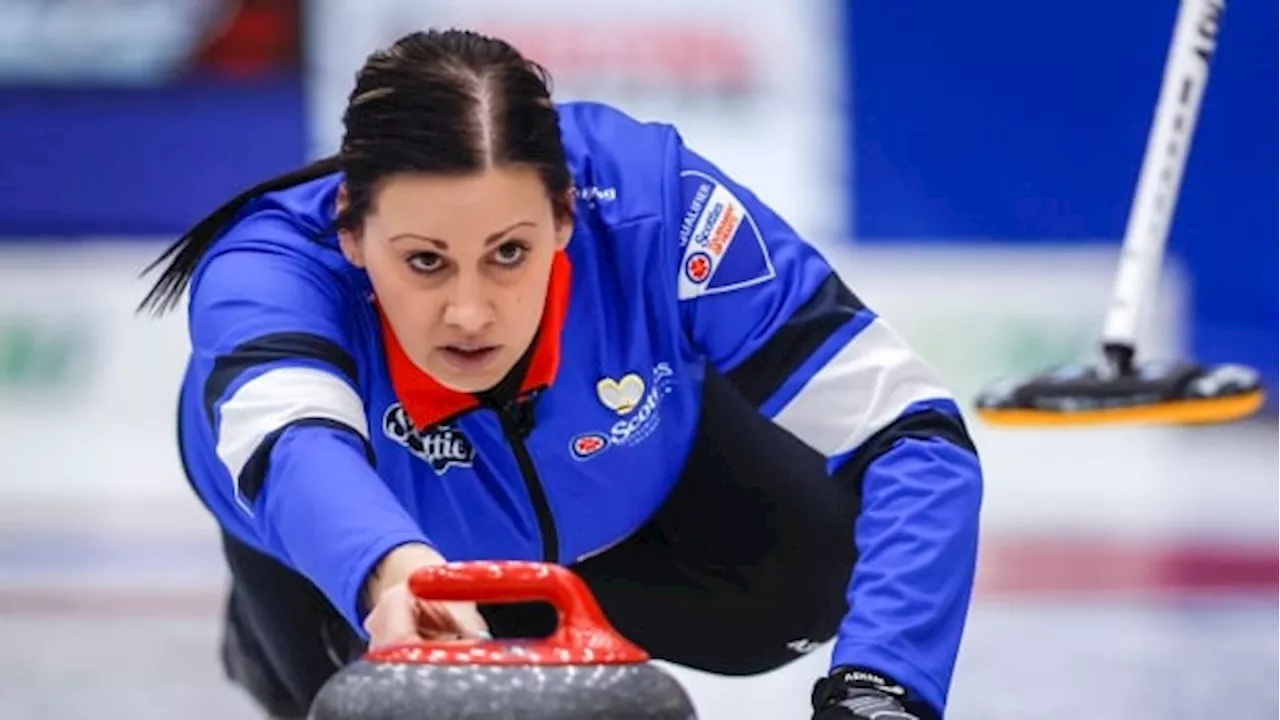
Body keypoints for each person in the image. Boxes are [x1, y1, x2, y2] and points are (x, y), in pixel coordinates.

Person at [140, 29, 984, 720]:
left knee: (809, 580)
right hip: (353, 548)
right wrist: (393, 577)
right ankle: (271, 638)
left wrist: (884, 692)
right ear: (351, 233)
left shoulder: (658, 206)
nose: (469, 313)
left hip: (632, 485)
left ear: (566, 214)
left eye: (509, 253)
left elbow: (915, 433)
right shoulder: (268, 269)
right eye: (425, 262)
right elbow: (299, 455)